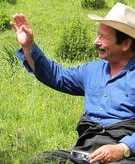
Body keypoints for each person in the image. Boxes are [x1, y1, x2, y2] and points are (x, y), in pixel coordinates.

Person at [11, 2, 135, 164]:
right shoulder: (92, 70)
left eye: (103, 37)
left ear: (125, 44)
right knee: (36, 161)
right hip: (86, 151)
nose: (95, 41)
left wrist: (123, 148)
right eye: (98, 35)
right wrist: (29, 47)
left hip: (125, 154)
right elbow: (56, 76)